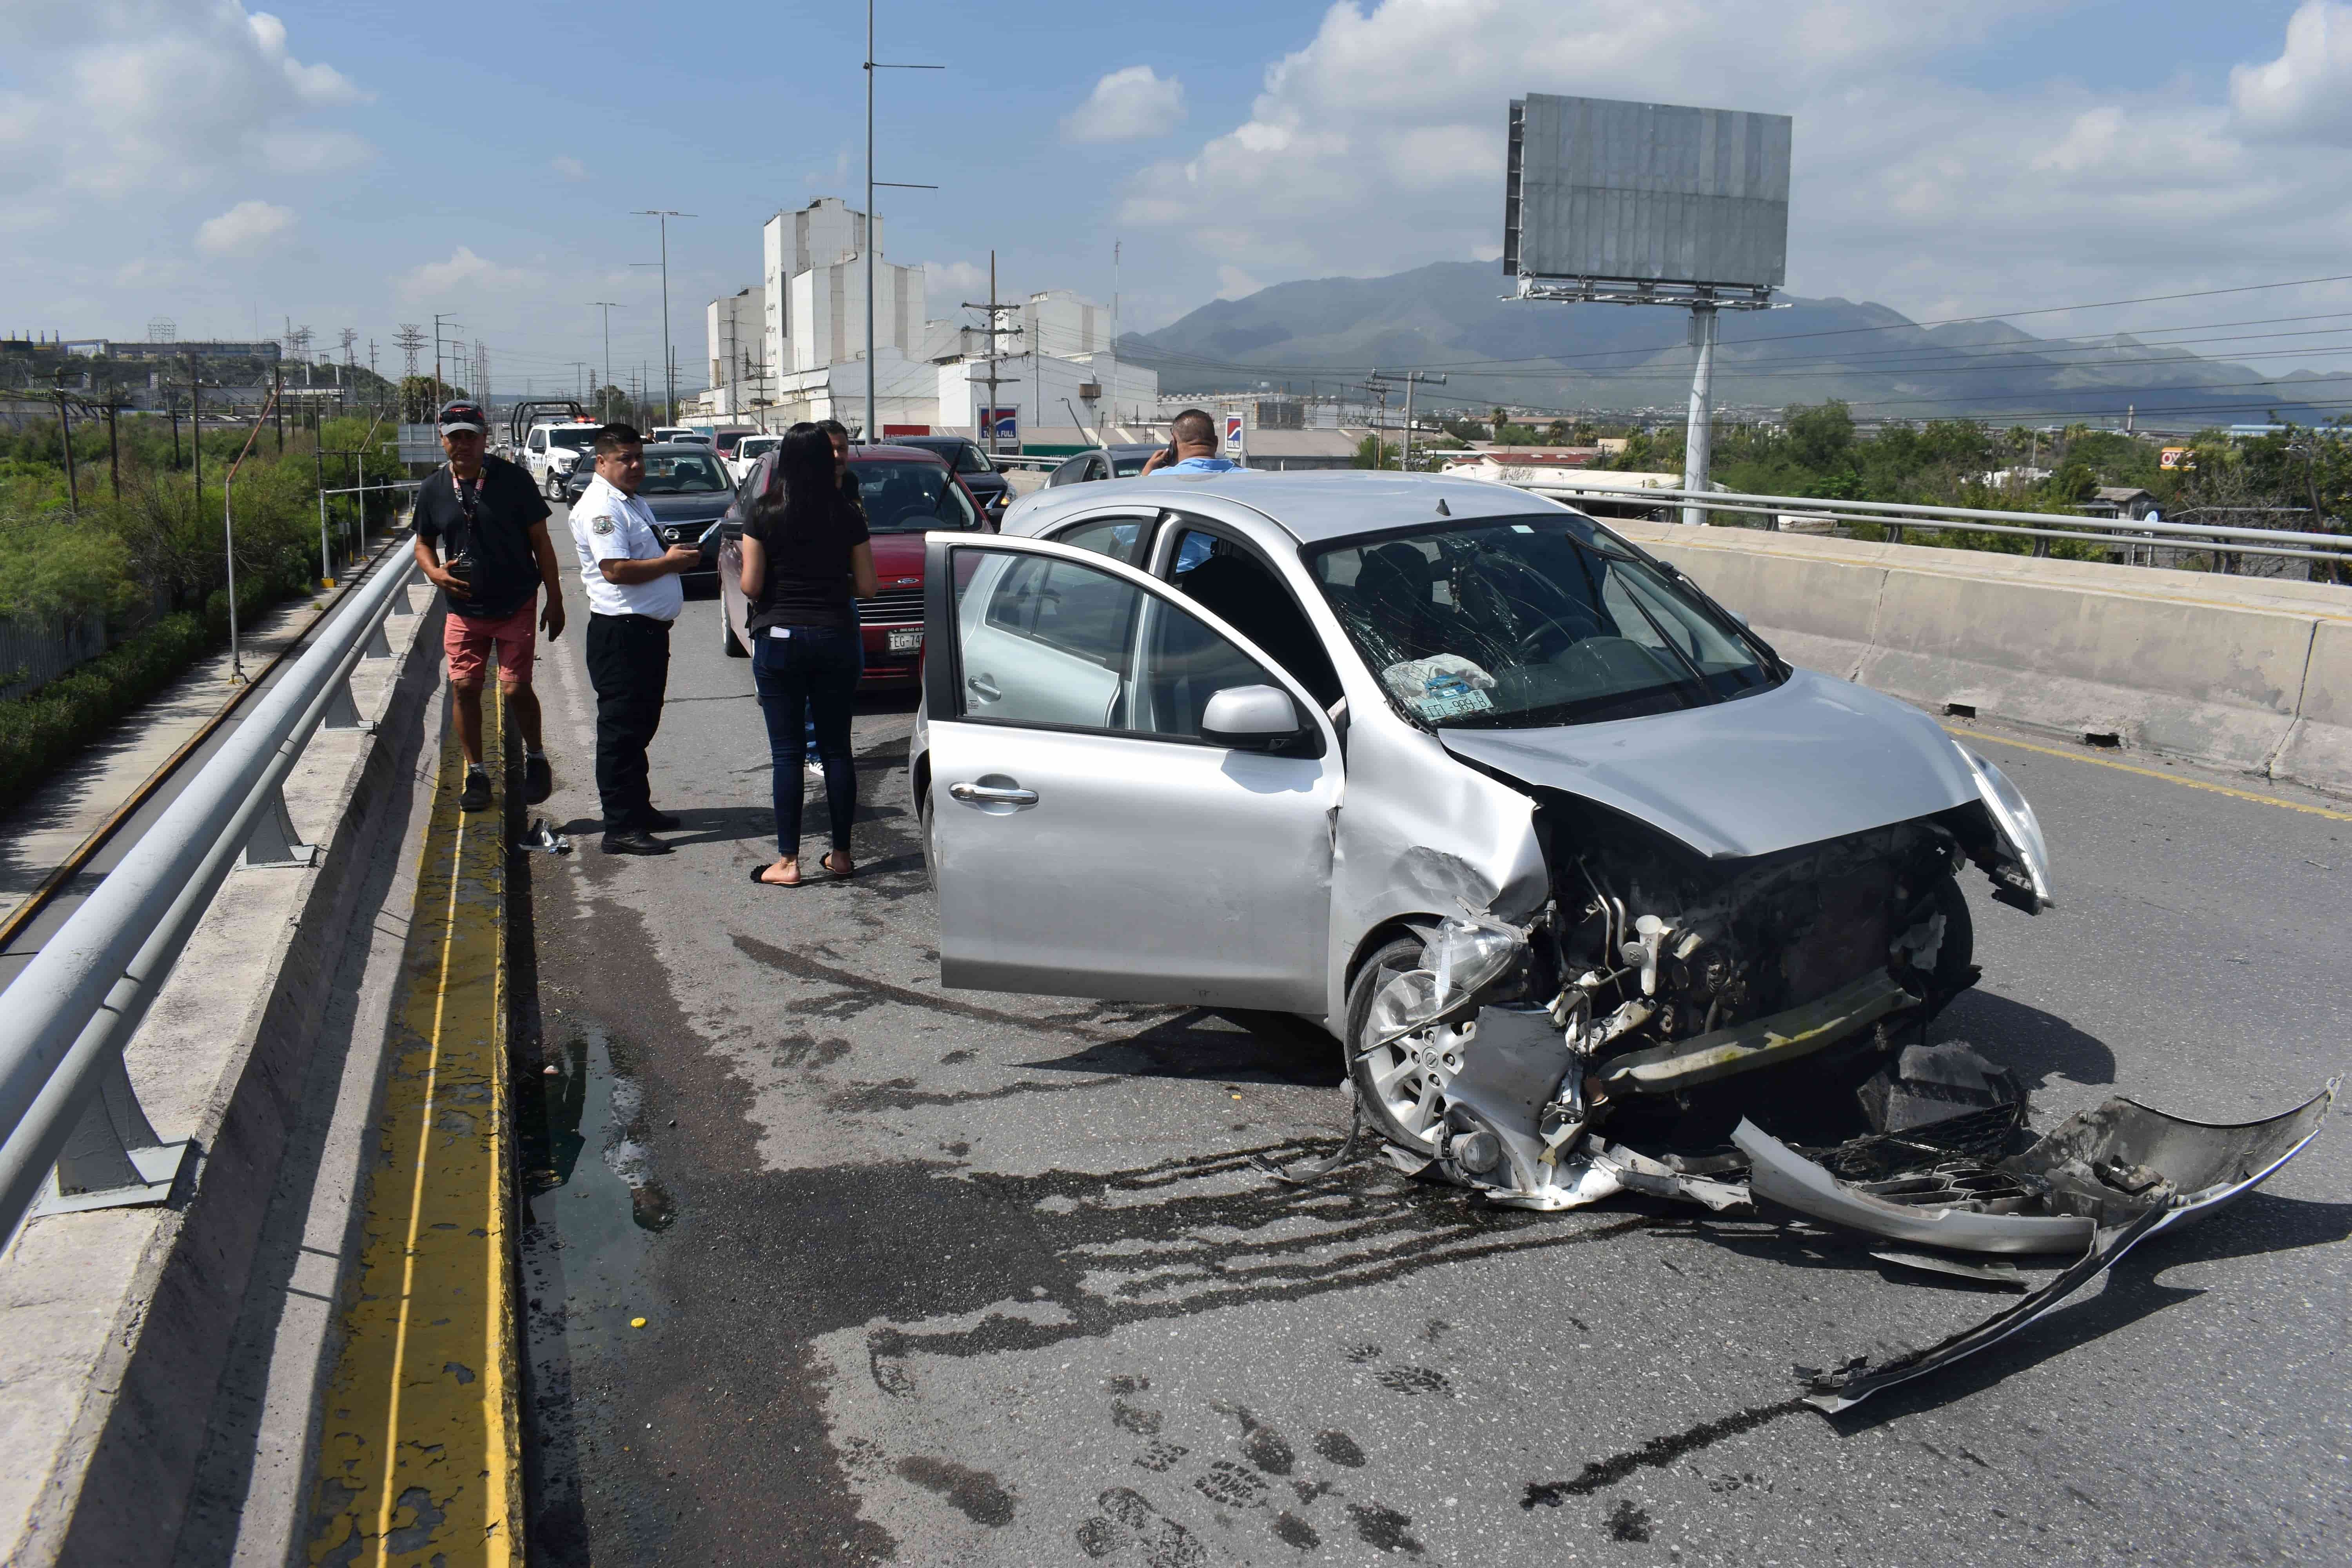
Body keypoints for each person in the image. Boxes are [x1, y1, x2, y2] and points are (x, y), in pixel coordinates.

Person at [410, 399, 566, 811]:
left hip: (515, 599)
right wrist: (435, 573)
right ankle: (476, 773)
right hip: (463, 606)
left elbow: (541, 542)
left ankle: (536, 758)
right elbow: (423, 543)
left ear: (484, 439)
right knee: (464, 688)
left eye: (471, 436)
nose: (463, 444)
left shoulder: (513, 480)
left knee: (516, 688)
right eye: (454, 436)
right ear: (442, 440)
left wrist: (556, 597)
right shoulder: (433, 489)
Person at [741, 424, 877, 886]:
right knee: (838, 749)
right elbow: (869, 586)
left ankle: (788, 862)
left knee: (787, 753)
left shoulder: (763, 512)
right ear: (827, 460)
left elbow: (752, 586)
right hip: (836, 635)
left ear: (784, 461)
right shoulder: (848, 513)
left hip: (779, 638)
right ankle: (841, 856)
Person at [566, 423, 702, 855]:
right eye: (625, 458)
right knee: (621, 732)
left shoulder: (631, 501)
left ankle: (637, 808)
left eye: (639, 456)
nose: (636, 465)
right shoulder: (602, 508)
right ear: (602, 462)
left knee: (640, 726)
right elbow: (616, 570)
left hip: (643, 633)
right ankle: (620, 827)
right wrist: (669, 564)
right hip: (621, 633)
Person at [1140, 408, 1240, 475]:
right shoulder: (1247, 477)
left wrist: (1146, 474)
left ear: (1174, 444)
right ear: (1216, 442)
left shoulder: (1158, 478)